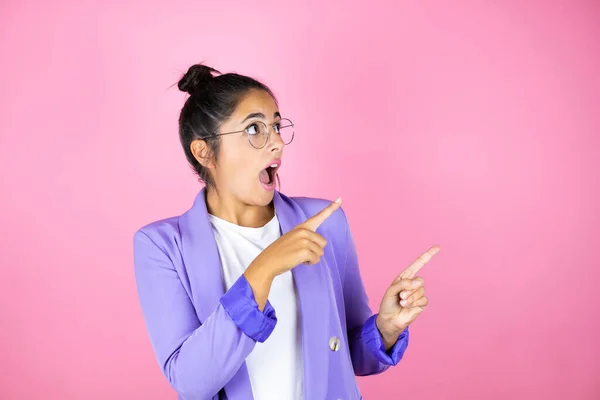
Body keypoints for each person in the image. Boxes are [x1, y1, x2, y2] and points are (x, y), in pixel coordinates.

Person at [133, 63, 440, 400]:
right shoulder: (162, 246)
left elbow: (347, 356)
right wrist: (263, 269)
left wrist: (386, 328)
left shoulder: (325, 222)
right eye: (254, 129)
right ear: (204, 151)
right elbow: (191, 382)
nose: (277, 142)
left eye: (277, 126)